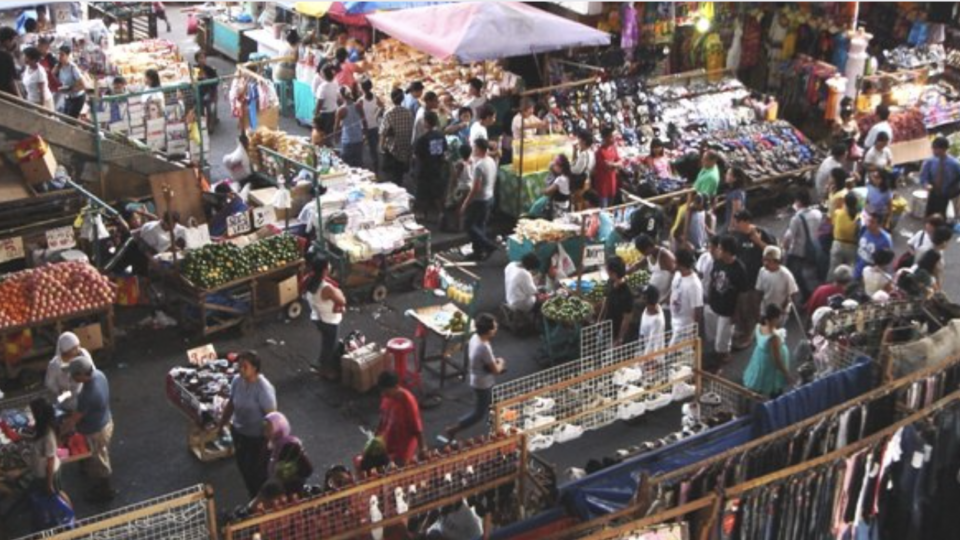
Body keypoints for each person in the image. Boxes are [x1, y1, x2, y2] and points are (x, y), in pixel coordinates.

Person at [217, 351, 277, 498]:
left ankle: (262, 500)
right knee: (244, 467)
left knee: (258, 473)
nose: (241, 369)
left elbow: (272, 417)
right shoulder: (237, 381)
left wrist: (270, 441)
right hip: (239, 433)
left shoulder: (263, 389)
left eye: (245, 366)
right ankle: (254, 497)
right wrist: (222, 424)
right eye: (239, 366)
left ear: (255, 368)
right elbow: (231, 404)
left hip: (258, 439)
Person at [442, 313, 505, 441]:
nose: (496, 329)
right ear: (487, 331)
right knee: (479, 413)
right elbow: (496, 370)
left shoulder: (475, 337)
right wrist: (501, 362)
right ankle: (452, 430)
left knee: (496, 402)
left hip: (478, 377)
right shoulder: (484, 348)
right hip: (483, 384)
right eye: (494, 328)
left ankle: (499, 426)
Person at [64, 356, 115, 502]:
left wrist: (60, 432)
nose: (72, 377)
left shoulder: (88, 395)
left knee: (100, 461)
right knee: (101, 456)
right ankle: (101, 485)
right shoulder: (100, 374)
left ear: (82, 374)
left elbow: (74, 420)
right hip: (106, 421)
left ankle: (105, 492)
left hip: (97, 431)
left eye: (74, 374)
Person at [730, 209, 775, 349]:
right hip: (741, 280)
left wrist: (758, 241)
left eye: (738, 222)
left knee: (753, 308)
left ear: (746, 222)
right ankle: (743, 331)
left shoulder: (761, 233)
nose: (735, 224)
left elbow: (773, 252)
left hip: (756, 280)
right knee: (742, 307)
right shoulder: (736, 235)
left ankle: (751, 335)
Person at [706, 235, 749, 367]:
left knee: (722, 340)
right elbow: (712, 280)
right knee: (714, 334)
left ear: (728, 252)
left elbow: (742, 294)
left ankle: (724, 356)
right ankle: (721, 351)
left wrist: (737, 313)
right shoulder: (718, 262)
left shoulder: (739, 269)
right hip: (714, 304)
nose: (718, 251)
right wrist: (709, 296)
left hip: (727, 309)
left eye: (720, 249)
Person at [305, 255, 345, 380]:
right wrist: (337, 291)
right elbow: (342, 300)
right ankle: (326, 371)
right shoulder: (326, 288)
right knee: (331, 346)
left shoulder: (309, 281)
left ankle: (322, 363)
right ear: (324, 270)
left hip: (317, 317)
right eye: (328, 266)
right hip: (329, 320)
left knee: (326, 342)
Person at [459, 138, 498, 261]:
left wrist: (465, 203)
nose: (472, 149)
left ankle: (488, 246)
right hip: (489, 197)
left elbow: (476, 188)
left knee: (469, 225)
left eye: (474, 147)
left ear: (480, 149)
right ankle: (478, 252)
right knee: (480, 225)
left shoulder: (479, 166)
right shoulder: (490, 160)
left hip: (479, 200)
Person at [743, 304, 792, 397]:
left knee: (760, 380)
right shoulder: (774, 337)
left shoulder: (758, 326)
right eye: (778, 318)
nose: (779, 320)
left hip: (760, 357)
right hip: (771, 365)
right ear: (774, 319)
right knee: (773, 387)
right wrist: (787, 374)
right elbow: (777, 360)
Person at [376, 371, 425, 466]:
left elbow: (417, 427)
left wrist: (422, 448)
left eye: (386, 391)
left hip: (403, 448)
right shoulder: (386, 397)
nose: (383, 394)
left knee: (399, 470)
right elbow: (382, 417)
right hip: (388, 441)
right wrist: (377, 435)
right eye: (382, 391)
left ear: (396, 387)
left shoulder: (408, 401)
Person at [29, 397, 70, 507]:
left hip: (49, 474)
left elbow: (50, 461)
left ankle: (71, 516)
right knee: (55, 494)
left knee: (58, 493)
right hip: (42, 472)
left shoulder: (48, 435)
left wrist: (49, 483)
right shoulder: (41, 428)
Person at [783, 188, 823, 299]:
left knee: (793, 272)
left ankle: (805, 294)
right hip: (815, 247)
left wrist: (785, 248)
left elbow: (789, 237)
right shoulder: (817, 213)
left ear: (798, 201)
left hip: (799, 250)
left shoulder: (797, 218)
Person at [262, 412, 312, 496]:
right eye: (264, 428)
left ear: (278, 427)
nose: (264, 432)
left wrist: (287, 476)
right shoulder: (272, 444)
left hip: (292, 493)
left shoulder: (290, 446)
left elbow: (308, 469)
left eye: (268, 428)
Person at [45, 331, 94, 411]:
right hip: (66, 397)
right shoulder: (55, 364)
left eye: (78, 346)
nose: (78, 350)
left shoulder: (83, 354)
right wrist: (59, 390)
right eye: (74, 348)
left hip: (83, 393)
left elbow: (92, 371)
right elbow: (49, 382)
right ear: (65, 351)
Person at [413, 111, 448, 223]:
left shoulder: (422, 139)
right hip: (437, 168)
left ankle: (422, 215)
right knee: (437, 193)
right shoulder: (440, 136)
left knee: (422, 194)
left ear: (426, 122)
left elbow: (416, 155)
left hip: (424, 170)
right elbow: (444, 151)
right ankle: (442, 213)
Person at [919, 136, 960, 218]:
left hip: (946, 194)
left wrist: (955, 191)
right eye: (933, 148)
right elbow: (923, 176)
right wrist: (926, 185)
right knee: (929, 214)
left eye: (936, 149)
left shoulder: (954, 164)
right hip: (933, 192)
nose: (933, 151)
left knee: (941, 215)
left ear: (944, 149)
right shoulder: (930, 161)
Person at [380, 87, 414, 186]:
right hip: (404, 149)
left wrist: (381, 147)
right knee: (399, 177)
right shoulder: (408, 113)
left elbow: (383, 132)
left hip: (392, 150)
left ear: (391, 98)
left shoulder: (389, 113)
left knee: (390, 177)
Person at [669, 249, 704, 343]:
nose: (673, 262)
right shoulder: (677, 275)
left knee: (677, 353)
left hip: (686, 328)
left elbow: (698, 310)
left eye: (675, 260)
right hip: (675, 321)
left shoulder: (694, 284)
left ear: (681, 264)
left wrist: (694, 332)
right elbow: (673, 291)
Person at [755, 246, 799, 316]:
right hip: (765, 309)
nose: (765, 263)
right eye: (764, 260)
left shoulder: (785, 274)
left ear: (777, 261)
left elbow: (792, 293)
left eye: (769, 261)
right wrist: (757, 307)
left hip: (780, 312)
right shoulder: (762, 271)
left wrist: (783, 308)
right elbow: (759, 290)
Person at [632, 234, 675, 304]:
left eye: (644, 251)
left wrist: (670, 296)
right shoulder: (649, 254)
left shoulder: (664, 255)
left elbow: (676, 275)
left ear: (649, 247)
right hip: (654, 296)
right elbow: (637, 265)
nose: (643, 254)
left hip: (665, 298)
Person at [602, 256, 635, 346]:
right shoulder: (610, 282)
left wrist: (619, 339)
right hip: (608, 328)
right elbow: (606, 300)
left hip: (618, 333)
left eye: (607, 268)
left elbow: (627, 318)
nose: (605, 270)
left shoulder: (626, 293)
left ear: (613, 272)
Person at [830, 192, 861, 277]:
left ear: (844, 202)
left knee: (833, 270)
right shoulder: (858, 217)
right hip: (852, 247)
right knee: (849, 272)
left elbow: (832, 222)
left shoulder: (838, 213)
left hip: (838, 244)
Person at [855, 211, 893, 279]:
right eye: (868, 221)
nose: (869, 224)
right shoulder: (864, 229)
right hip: (857, 269)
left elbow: (885, 262)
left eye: (872, 222)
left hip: (869, 276)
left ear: (880, 224)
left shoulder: (885, 240)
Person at [533, 154, 572, 219]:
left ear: (560, 167)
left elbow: (547, 192)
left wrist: (540, 190)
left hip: (559, 207)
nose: (553, 167)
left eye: (554, 165)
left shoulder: (560, 180)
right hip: (566, 205)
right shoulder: (568, 176)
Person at [334, 87, 364, 167]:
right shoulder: (358, 105)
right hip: (358, 138)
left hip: (347, 140)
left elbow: (336, 127)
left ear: (341, 96)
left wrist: (336, 138)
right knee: (358, 163)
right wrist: (365, 134)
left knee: (347, 165)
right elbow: (364, 120)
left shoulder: (341, 110)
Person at [593, 126, 623, 207]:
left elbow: (620, 162)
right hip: (603, 187)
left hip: (612, 185)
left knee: (611, 208)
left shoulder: (613, 148)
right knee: (604, 211)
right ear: (605, 138)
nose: (614, 139)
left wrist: (614, 164)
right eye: (612, 137)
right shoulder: (599, 152)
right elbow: (607, 166)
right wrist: (615, 165)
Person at [53, 45, 85, 118]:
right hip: (67, 97)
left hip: (77, 98)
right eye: (59, 54)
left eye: (62, 55)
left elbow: (83, 85)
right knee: (64, 118)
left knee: (70, 120)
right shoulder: (58, 67)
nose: (60, 57)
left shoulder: (73, 68)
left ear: (67, 56)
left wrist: (71, 89)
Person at [313, 65, 340, 146]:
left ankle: (326, 151)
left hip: (325, 114)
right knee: (329, 133)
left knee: (322, 135)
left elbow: (319, 103)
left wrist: (315, 115)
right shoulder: (335, 82)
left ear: (324, 74)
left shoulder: (323, 87)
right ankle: (329, 149)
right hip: (333, 110)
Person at [359, 78, 381, 171]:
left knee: (362, 147)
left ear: (362, 88)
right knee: (373, 148)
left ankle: (365, 166)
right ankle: (376, 166)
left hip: (364, 128)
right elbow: (381, 106)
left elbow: (359, 115)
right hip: (374, 126)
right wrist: (376, 115)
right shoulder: (376, 97)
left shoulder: (361, 101)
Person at [570, 129, 596, 207]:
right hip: (587, 181)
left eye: (579, 139)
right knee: (584, 203)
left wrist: (568, 167)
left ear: (583, 141)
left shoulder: (584, 155)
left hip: (580, 184)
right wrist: (575, 151)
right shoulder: (591, 153)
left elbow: (576, 170)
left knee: (578, 203)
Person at [638, 285, 665, 354]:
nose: (640, 296)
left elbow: (653, 344)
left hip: (652, 358)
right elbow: (642, 335)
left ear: (646, 299)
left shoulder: (657, 321)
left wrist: (645, 359)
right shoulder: (646, 310)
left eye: (642, 295)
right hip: (643, 352)